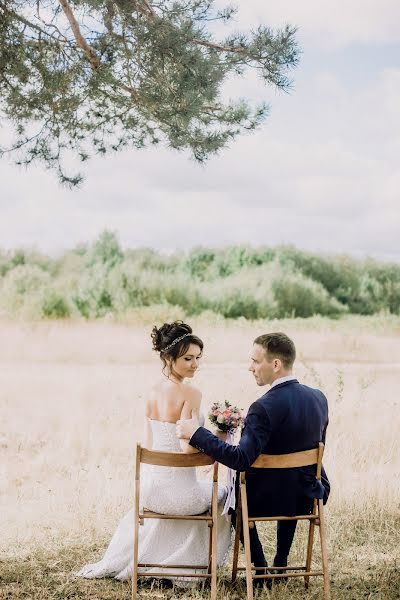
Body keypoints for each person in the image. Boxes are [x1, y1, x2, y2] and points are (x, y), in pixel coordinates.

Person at [76, 321, 231, 583]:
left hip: (150, 492)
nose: (195, 364)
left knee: (194, 493)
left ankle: (165, 561)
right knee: (225, 497)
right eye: (188, 358)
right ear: (168, 358)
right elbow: (186, 448)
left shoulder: (152, 391)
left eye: (197, 358)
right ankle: (184, 568)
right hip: (180, 496)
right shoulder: (191, 393)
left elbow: (149, 444)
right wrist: (218, 444)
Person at [177, 332, 330, 581]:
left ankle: (259, 569)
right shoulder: (318, 398)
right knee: (290, 483)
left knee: (235, 502)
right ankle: (279, 565)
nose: (251, 367)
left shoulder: (263, 407)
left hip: (263, 502)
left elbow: (240, 459)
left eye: (256, 361)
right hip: (307, 497)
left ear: (276, 364)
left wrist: (198, 434)